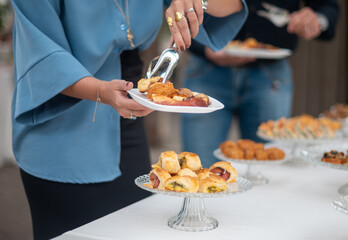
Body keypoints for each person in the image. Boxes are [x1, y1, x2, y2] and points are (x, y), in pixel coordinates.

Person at [10, 0, 248, 239]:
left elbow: (233, 6)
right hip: (64, 124)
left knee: (137, 227)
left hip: (129, 114)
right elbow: (42, 56)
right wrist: (102, 92)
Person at [181, 0, 339, 167]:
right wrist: (201, 46)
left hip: (270, 77)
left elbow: (328, 6)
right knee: (196, 170)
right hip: (206, 70)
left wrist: (317, 20)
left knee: (269, 170)